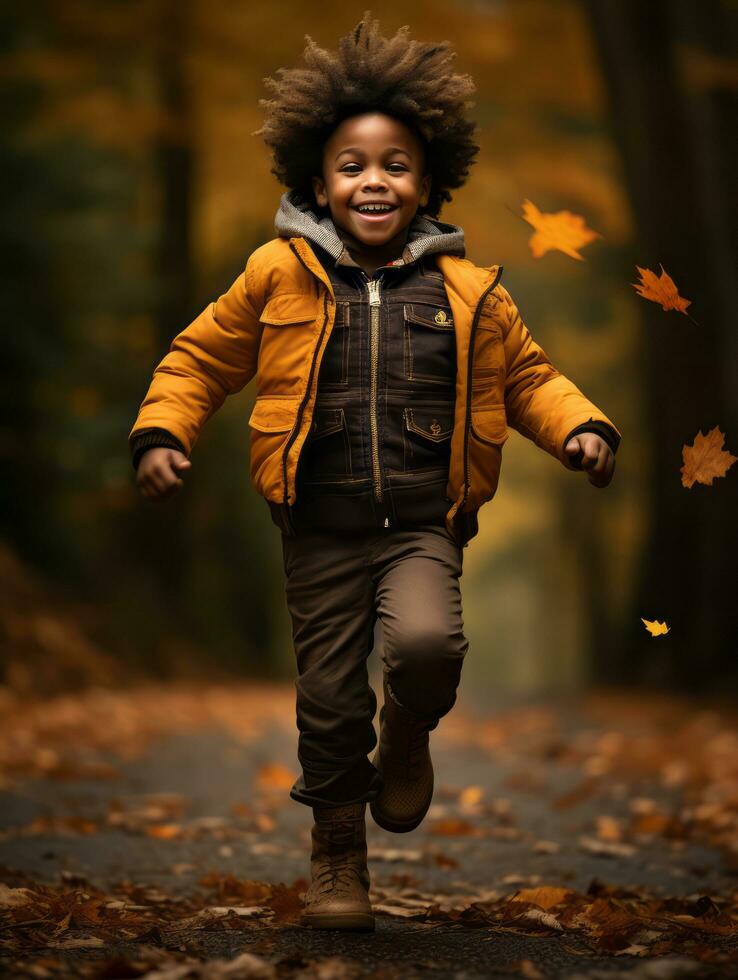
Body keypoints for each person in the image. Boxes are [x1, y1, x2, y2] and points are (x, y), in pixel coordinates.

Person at [128, 14, 621, 932]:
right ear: (317, 181)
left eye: (395, 164)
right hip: (317, 526)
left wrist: (581, 429)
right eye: (352, 165)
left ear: (429, 182)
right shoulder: (276, 273)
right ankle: (338, 859)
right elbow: (199, 360)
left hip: (423, 525)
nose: (374, 180)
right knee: (326, 699)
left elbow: (531, 379)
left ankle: (410, 733)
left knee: (429, 652)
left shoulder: (472, 292)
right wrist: (162, 431)